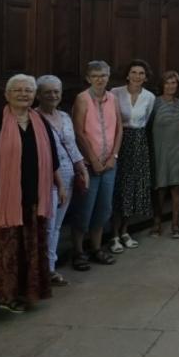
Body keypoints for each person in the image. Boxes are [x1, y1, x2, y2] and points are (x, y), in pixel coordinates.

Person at [0, 74, 63, 313]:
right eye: (17, 90)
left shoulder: (40, 122)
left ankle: (18, 293)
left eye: (28, 90)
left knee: (22, 250)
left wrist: (61, 185)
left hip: (30, 199)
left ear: (34, 95)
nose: (23, 94)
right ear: (7, 95)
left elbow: (52, 159)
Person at [36, 74, 90, 287]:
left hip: (68, 177)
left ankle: (50, 267)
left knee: (56, 225)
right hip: (47, 177)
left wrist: (82, 169)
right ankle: (45, 270)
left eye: (56, 91)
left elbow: (72, 146)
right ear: (38, 95)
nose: (53, 95)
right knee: (48, 225)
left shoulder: (65, 117)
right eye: (48, 91)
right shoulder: (35, 118)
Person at [72, 60, 122, 270]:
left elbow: (119, 128)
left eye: (103, 75)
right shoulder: (82, 99)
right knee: (85, 209)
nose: (100, 79)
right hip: (88, 164)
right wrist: (93, 159)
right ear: (88, 78)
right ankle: (78, 251)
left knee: (103, 208)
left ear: (108, 77)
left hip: (109, 163)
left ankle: (96, 248)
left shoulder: (113, 98)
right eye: (95, 76)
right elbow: (78, 132)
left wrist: (114, 157)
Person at [110, 59, 156, 253]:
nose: (137, 76)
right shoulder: (115, 93)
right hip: (120, 140)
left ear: (145, 77)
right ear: (127, 75)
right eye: (134, 72)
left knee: (132, 189)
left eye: (141, 73)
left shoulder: (150, 97)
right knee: (118, 188)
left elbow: (145, 121)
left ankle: (125, 231)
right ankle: (113, 235)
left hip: (139, 143)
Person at [151, 70, 179, 239]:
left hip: (178, 153)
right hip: (160, 152)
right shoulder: (154, 103)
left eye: (174, 82)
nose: (171, 86)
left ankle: (175, 224)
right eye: (167, 82)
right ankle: (156, 224)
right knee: (159, 189)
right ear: (162, 85)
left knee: (177, 188)